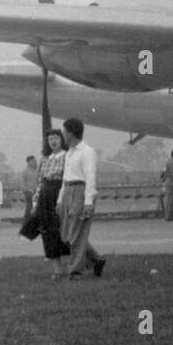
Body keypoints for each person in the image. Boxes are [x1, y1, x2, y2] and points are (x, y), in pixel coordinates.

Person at [58, 117, 107, 278]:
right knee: (67, 235)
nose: (63, 135)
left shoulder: (87, 151)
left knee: (76, 234)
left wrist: (88, 202)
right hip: (68, 191)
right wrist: (60, 200)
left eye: (64, 131)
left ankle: (76, 270)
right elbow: (65, 178)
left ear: (71, 133)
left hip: (81, 191)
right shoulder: (69, 154)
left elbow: (90, 177)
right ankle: (96, 259)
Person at [32, 130, 73, 278]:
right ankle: (56, 270)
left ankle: (69, 268)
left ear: (61, 139)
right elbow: (39, 182)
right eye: (50, 139)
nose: (53, 141)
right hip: (45, 195)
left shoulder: (67, 156)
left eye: (56, 138)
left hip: (60, 193)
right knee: (48, 233)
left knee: (62, 231)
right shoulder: (44, 159)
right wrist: (35, 203)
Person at [21, 155, 39, 221]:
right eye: (33, 161)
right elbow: (23, 183)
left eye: (35, 161)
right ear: (29, 162)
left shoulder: (37, 171)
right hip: (28, 192)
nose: (35, 162)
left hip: (36, 192)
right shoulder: (25, 171)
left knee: (35, 207)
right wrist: (26, 190)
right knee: (29, 207)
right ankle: (27, 220)